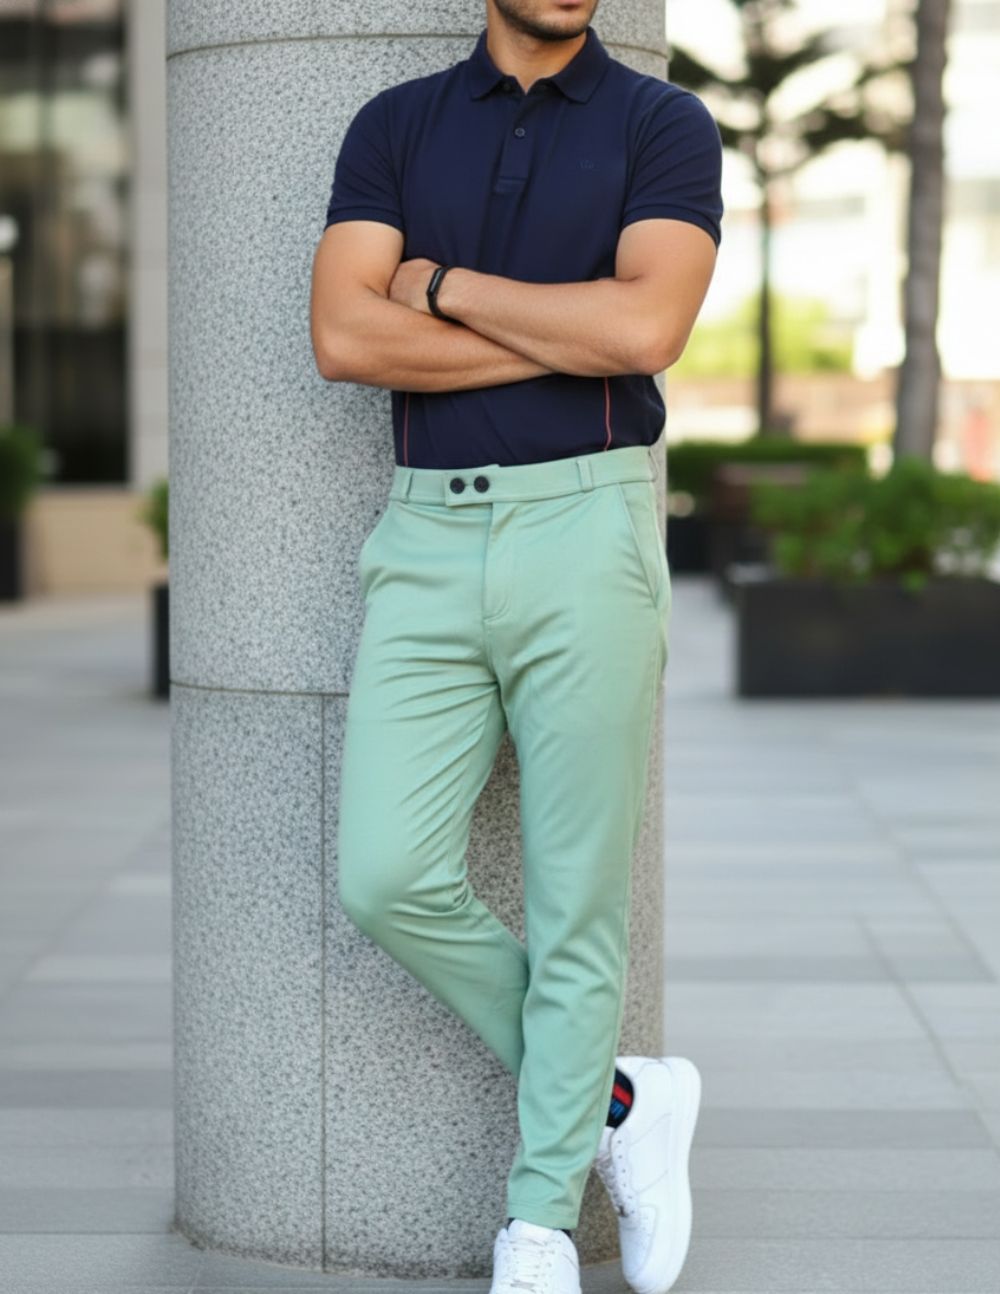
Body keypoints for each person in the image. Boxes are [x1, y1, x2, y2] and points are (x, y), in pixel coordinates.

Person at [310, 3, 722, 1291]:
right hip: (424, 538)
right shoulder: (395, 126)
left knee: (576, 900)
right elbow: (343, 337)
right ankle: (621, 1099)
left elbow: (644, 335)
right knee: (385, 874)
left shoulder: (662, 124)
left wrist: (440, 289)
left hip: (587, 530)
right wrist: (560, 330)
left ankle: (537, 1226)